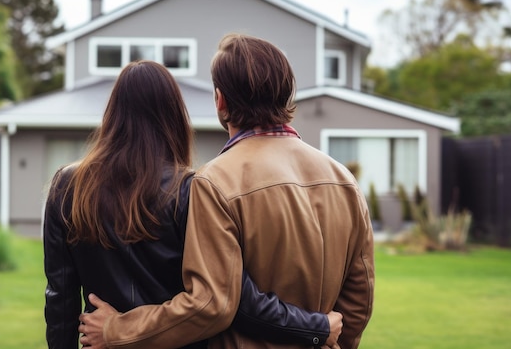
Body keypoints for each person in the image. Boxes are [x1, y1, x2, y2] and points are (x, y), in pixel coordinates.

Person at [78, 34, 375, 349]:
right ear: (287, 95)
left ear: (220, 101)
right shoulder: (343, 180)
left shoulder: (214, 183)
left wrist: (115, 330)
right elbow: (359, 297)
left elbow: (211, 305)